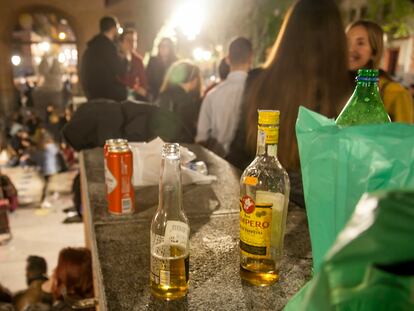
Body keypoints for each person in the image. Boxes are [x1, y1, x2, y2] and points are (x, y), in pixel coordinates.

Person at [227, 0, 352, 207]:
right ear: (337, 38)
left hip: (263, 211)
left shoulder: (259, 82)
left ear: (287, 35)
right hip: (326, 219)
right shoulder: (352, 90)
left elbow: (238, 155)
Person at [346, 20, 413, 123]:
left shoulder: (395, 93)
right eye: (346, 42)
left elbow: (407, 136)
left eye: (360, 43)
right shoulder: (338, 87)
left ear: (374, 51)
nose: (350, 49)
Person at [196, 37, 253, 157]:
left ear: (228, 59)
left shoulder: (212, 95)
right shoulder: (258, 94)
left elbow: (201, 137)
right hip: (248, 165)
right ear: (251, 59)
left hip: (218, 163)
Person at [152, 60, 202, 143]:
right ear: (194, 79)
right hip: (181, 148)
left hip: (162, 146)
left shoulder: (164, 93)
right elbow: (189, 131)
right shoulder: (187, 100)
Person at [80, 16, 127, 101]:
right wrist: (125, 57)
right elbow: (120, 70)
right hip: (106, 94)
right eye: (117, 27)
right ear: (113, 28)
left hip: (91, 94)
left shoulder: (92, 46)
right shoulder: (109, 47)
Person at [119, 28, 149, 101]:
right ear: (121, 42)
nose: (132, 43)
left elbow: (143, 83)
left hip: (132, 96)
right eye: (129, 40)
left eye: (134, 41)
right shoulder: (115, 58)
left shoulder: (138, 60)